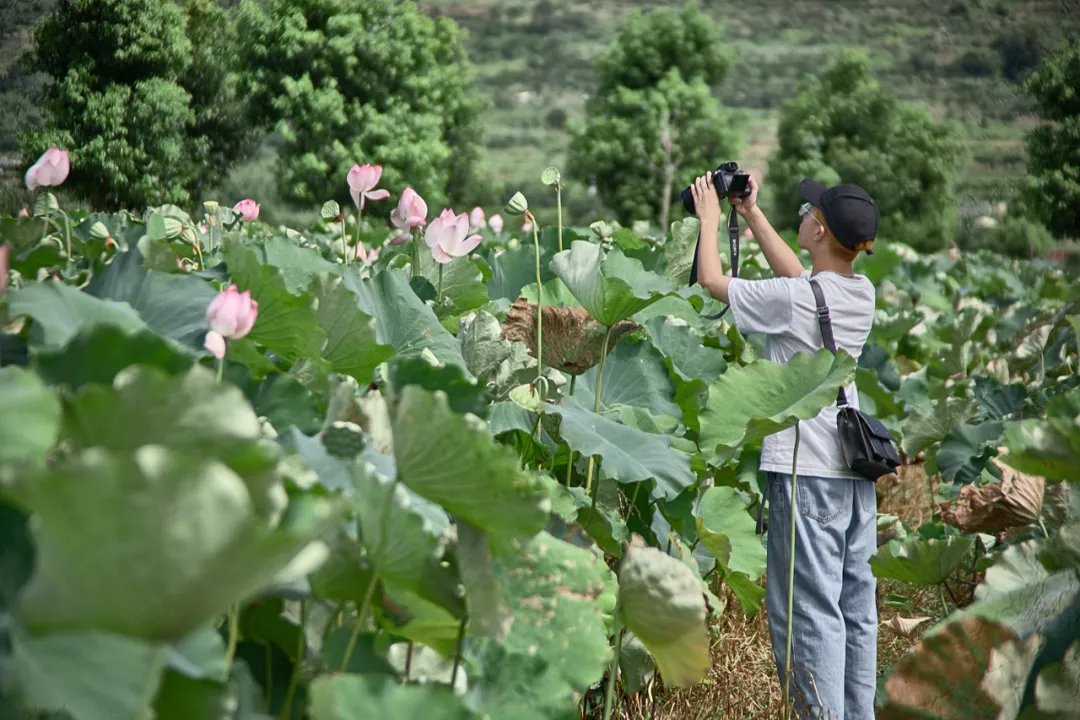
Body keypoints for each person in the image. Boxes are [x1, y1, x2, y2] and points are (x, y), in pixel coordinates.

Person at [689, 172, 880, 720]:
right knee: (854, 608)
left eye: (807, 209)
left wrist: (708, 218)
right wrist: (750, 214)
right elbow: (805, 283)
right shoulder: (858, 293)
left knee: (809, 612)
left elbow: (710, 279)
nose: (801, 211)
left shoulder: (794, 300)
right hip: (854, 477)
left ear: (819, 229)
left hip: (807, 474)